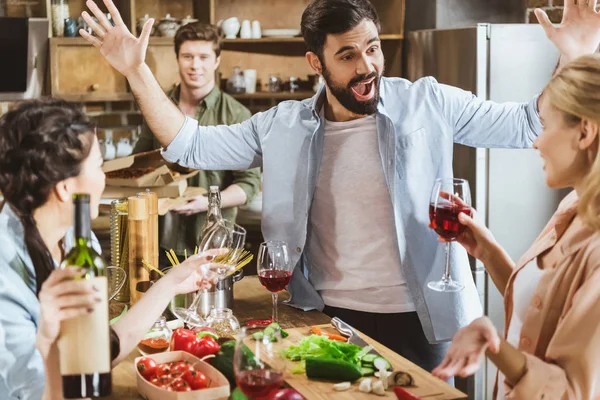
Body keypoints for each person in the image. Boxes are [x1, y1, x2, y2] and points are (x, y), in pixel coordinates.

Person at [79, 0, 600, 372]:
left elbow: (526, 125)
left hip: (427, 322)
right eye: (348, 55)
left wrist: (577, 54)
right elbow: (188, 146)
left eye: (372, 48)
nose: (368, 65)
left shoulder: (429, 101)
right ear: (316, 62)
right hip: (326, 319)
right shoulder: (280, 124)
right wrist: (136, 71)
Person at [0, 98, 222, 399]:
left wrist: (171, 283)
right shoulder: (5, 276)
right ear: (66, 188)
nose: (104, 178)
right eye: (99, 166)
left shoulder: (77, 240)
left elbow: (98, 352)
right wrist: (48, 340)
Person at [431, 54, 600, 399]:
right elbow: (543, 305)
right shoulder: (573, 207)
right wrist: (487, 252)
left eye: (547, 127)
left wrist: (491, 344)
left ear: (584, 132)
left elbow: (572, 392)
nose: (536, 142)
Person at [132, 22, 261, 265]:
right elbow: (139, 167)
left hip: (214, 243)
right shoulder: (158, 110)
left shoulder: (236, 115)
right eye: (187, 56)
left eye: (203, 57)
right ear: (177, 59)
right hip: (160, 241)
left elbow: (249, 184)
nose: (195, 65)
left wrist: (208, 203)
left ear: (216, 61)